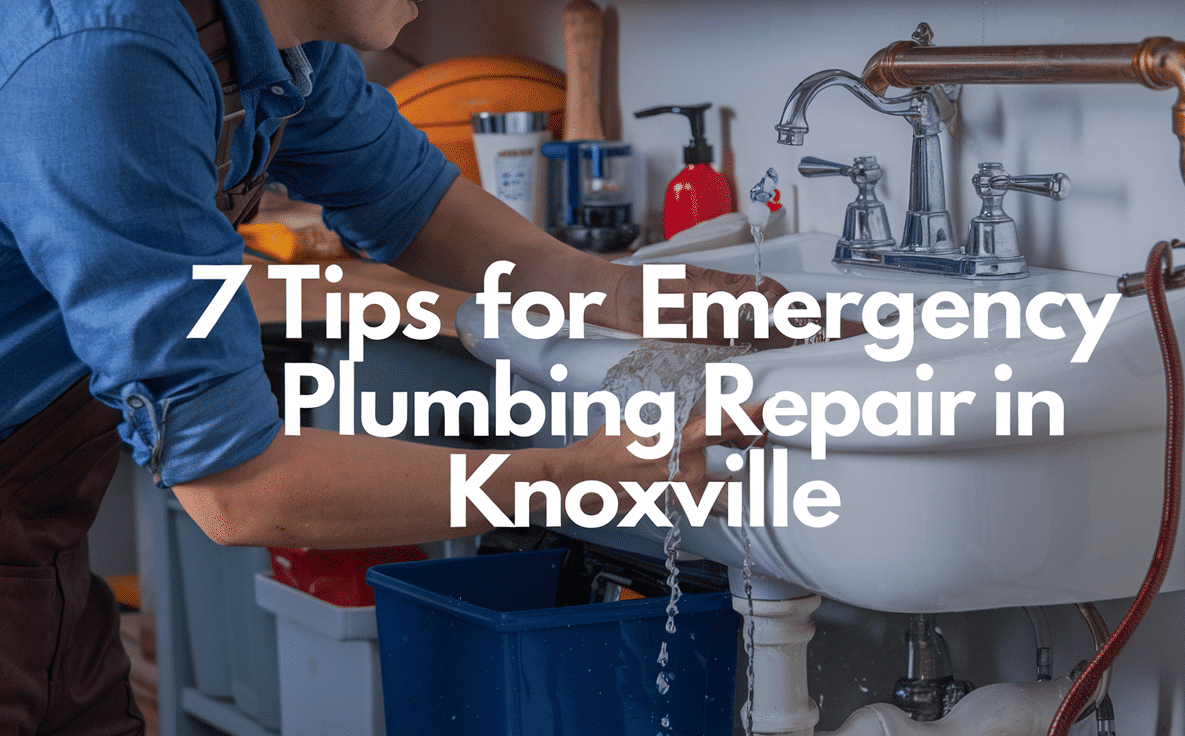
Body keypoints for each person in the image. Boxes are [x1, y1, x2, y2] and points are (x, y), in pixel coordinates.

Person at [0, 0, 782, 732]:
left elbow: (408, 197)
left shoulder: (276, 42)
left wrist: (622, 290)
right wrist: (586, 474)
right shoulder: (104, 61)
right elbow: (238, 490)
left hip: (42, 529)